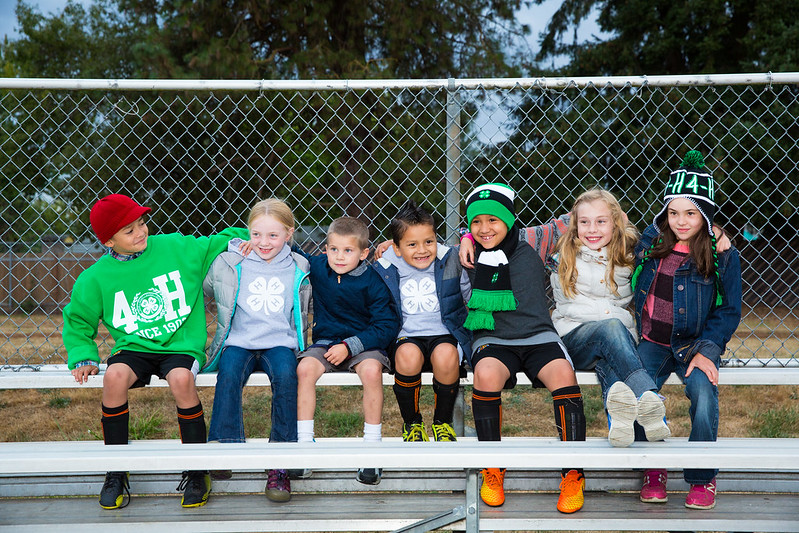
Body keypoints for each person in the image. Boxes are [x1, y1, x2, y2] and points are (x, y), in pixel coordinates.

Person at [62, 194, 248, 509]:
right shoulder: (96, 277)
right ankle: (116, 470)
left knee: (180, 379)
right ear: (109, 240)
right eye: (129, 231)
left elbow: (220, 240)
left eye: (142, 223)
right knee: (115, 377)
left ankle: (195, 469)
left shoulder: (176, 247)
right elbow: (78, 319)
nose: (141, 232)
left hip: (180, 344)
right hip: (134, 347)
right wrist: (83, 355)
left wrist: (250, 238)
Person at [462, 183, 587, 514]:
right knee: (486, 375)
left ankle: (573, 472)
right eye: (476, 222)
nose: (484, 229)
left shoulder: (535, 240)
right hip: (494, 338)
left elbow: (580, 215)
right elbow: (422, 246)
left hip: (537, 335)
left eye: (493, 220)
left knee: (562, 372)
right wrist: (462, 235)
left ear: (509, 218)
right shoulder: (468, 249)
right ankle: (493, 467)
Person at [632, 150, 741, 510]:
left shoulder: (720, 253)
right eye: (673, 212)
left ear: (706, 216)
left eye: (691, 213)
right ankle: (653, 469)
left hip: (694, 344)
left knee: (704, 394)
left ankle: (701, 478)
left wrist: (708, 350)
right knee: (639, 393)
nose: (681, 221)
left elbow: (729, 310)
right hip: (652, 342)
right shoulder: (651, 242)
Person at [203, 198, 311, 503]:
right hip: (240, 340)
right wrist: (233, 243)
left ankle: (280, 463)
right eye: (256, 234)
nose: (264, 243)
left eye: (273, 235)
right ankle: (225, 448)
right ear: (247, 232)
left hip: (280, 341)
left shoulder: (299, 265)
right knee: (229, 373)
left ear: (289, 234)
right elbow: (209, 287)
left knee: (287, 377)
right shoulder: (232, 261)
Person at [293, 216, 400, 485]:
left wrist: (350, 346)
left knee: (373, 372)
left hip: (364, 345)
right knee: (304, 368)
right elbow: (286, 246)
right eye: (334, 249)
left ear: (364, 253)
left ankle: (372, 450)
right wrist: (243, 240)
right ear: (325, 248)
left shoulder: (372, 281)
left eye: (348, 250)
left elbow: (387, 325)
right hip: (326, 342)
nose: (339, 257)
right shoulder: (318, 267)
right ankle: (304, 446)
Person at [373, 200, 471, 442]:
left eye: (429, 241)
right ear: (397, 248)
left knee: (446, 356)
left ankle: (442, 422)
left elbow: (469, 295)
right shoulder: (385, 264)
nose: (422, 250)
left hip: (444, 331)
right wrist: (385, 249)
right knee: (407, 357)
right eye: (412, 244)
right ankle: (412, 423)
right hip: (406, 334)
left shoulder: (451, 260)